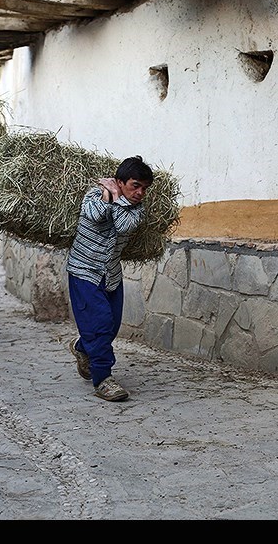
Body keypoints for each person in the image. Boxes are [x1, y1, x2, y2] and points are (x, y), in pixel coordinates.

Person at [66, 155, 154, 401]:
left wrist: (117, 198)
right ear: (119, 181)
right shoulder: (94, 195)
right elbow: (93, 215)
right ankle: (103, 379)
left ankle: (82, 347)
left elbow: (123, 226)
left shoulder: (136, 210)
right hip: (84, 271)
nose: (139, 193)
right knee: (101, 323)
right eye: (135, 185)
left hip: (111, 275)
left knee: (112, 326)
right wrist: (109, 195)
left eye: (144, 188)